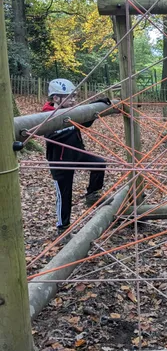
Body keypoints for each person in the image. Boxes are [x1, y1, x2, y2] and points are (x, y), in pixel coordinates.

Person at [42, 78, 109, 237]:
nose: (73, 100)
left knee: (99, 163)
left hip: (77, 153)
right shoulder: (45, 115)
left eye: (74, 97)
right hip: (60, 161)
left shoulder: (72, 111)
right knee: (65, 195)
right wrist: (72, 124)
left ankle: (92, 194)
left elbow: (85, 123)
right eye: (69, 97)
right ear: (56, 98)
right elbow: (52, 135)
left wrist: (94, 107)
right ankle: (63, 229)